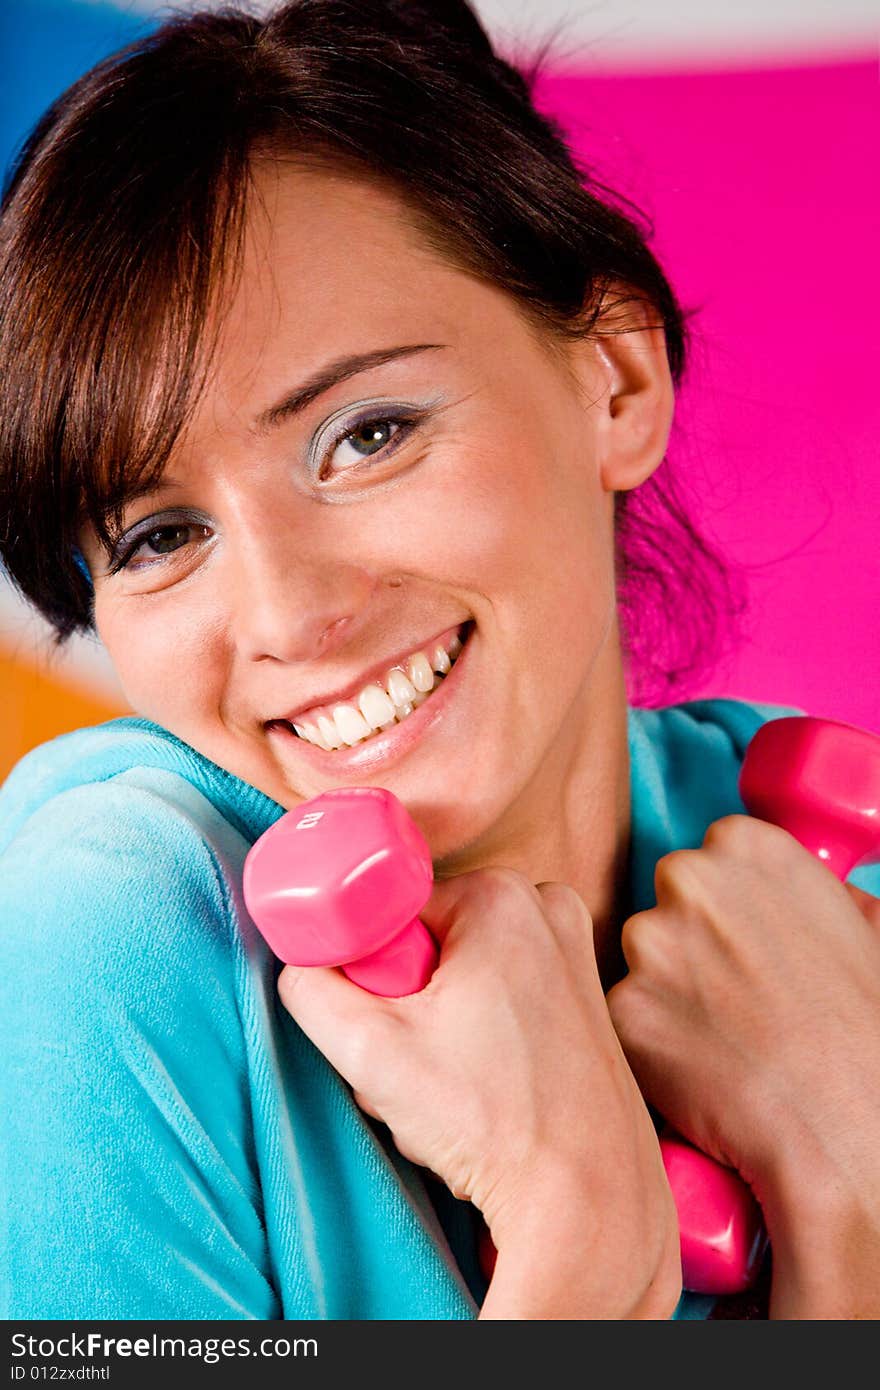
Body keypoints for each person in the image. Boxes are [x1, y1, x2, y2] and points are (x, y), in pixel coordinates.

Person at [1, 0, 878, 1322]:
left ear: (617, 383)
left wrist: (845, 1185)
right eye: (161, 534)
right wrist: (581, 1237)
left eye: (367, 435)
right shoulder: (107, 932)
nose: (291, 614)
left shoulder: (828, 907)